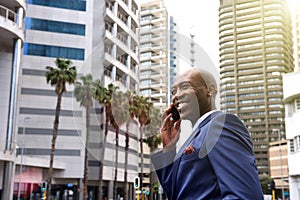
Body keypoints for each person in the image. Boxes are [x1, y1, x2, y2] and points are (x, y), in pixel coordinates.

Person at [151, 68, 264, 200]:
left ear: (209, 90)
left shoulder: (221, 125)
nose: (176, 95)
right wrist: (169, 149)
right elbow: (177, 193)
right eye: (173, 91)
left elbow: (245, 196)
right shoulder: (195, 136)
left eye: (185, 86)